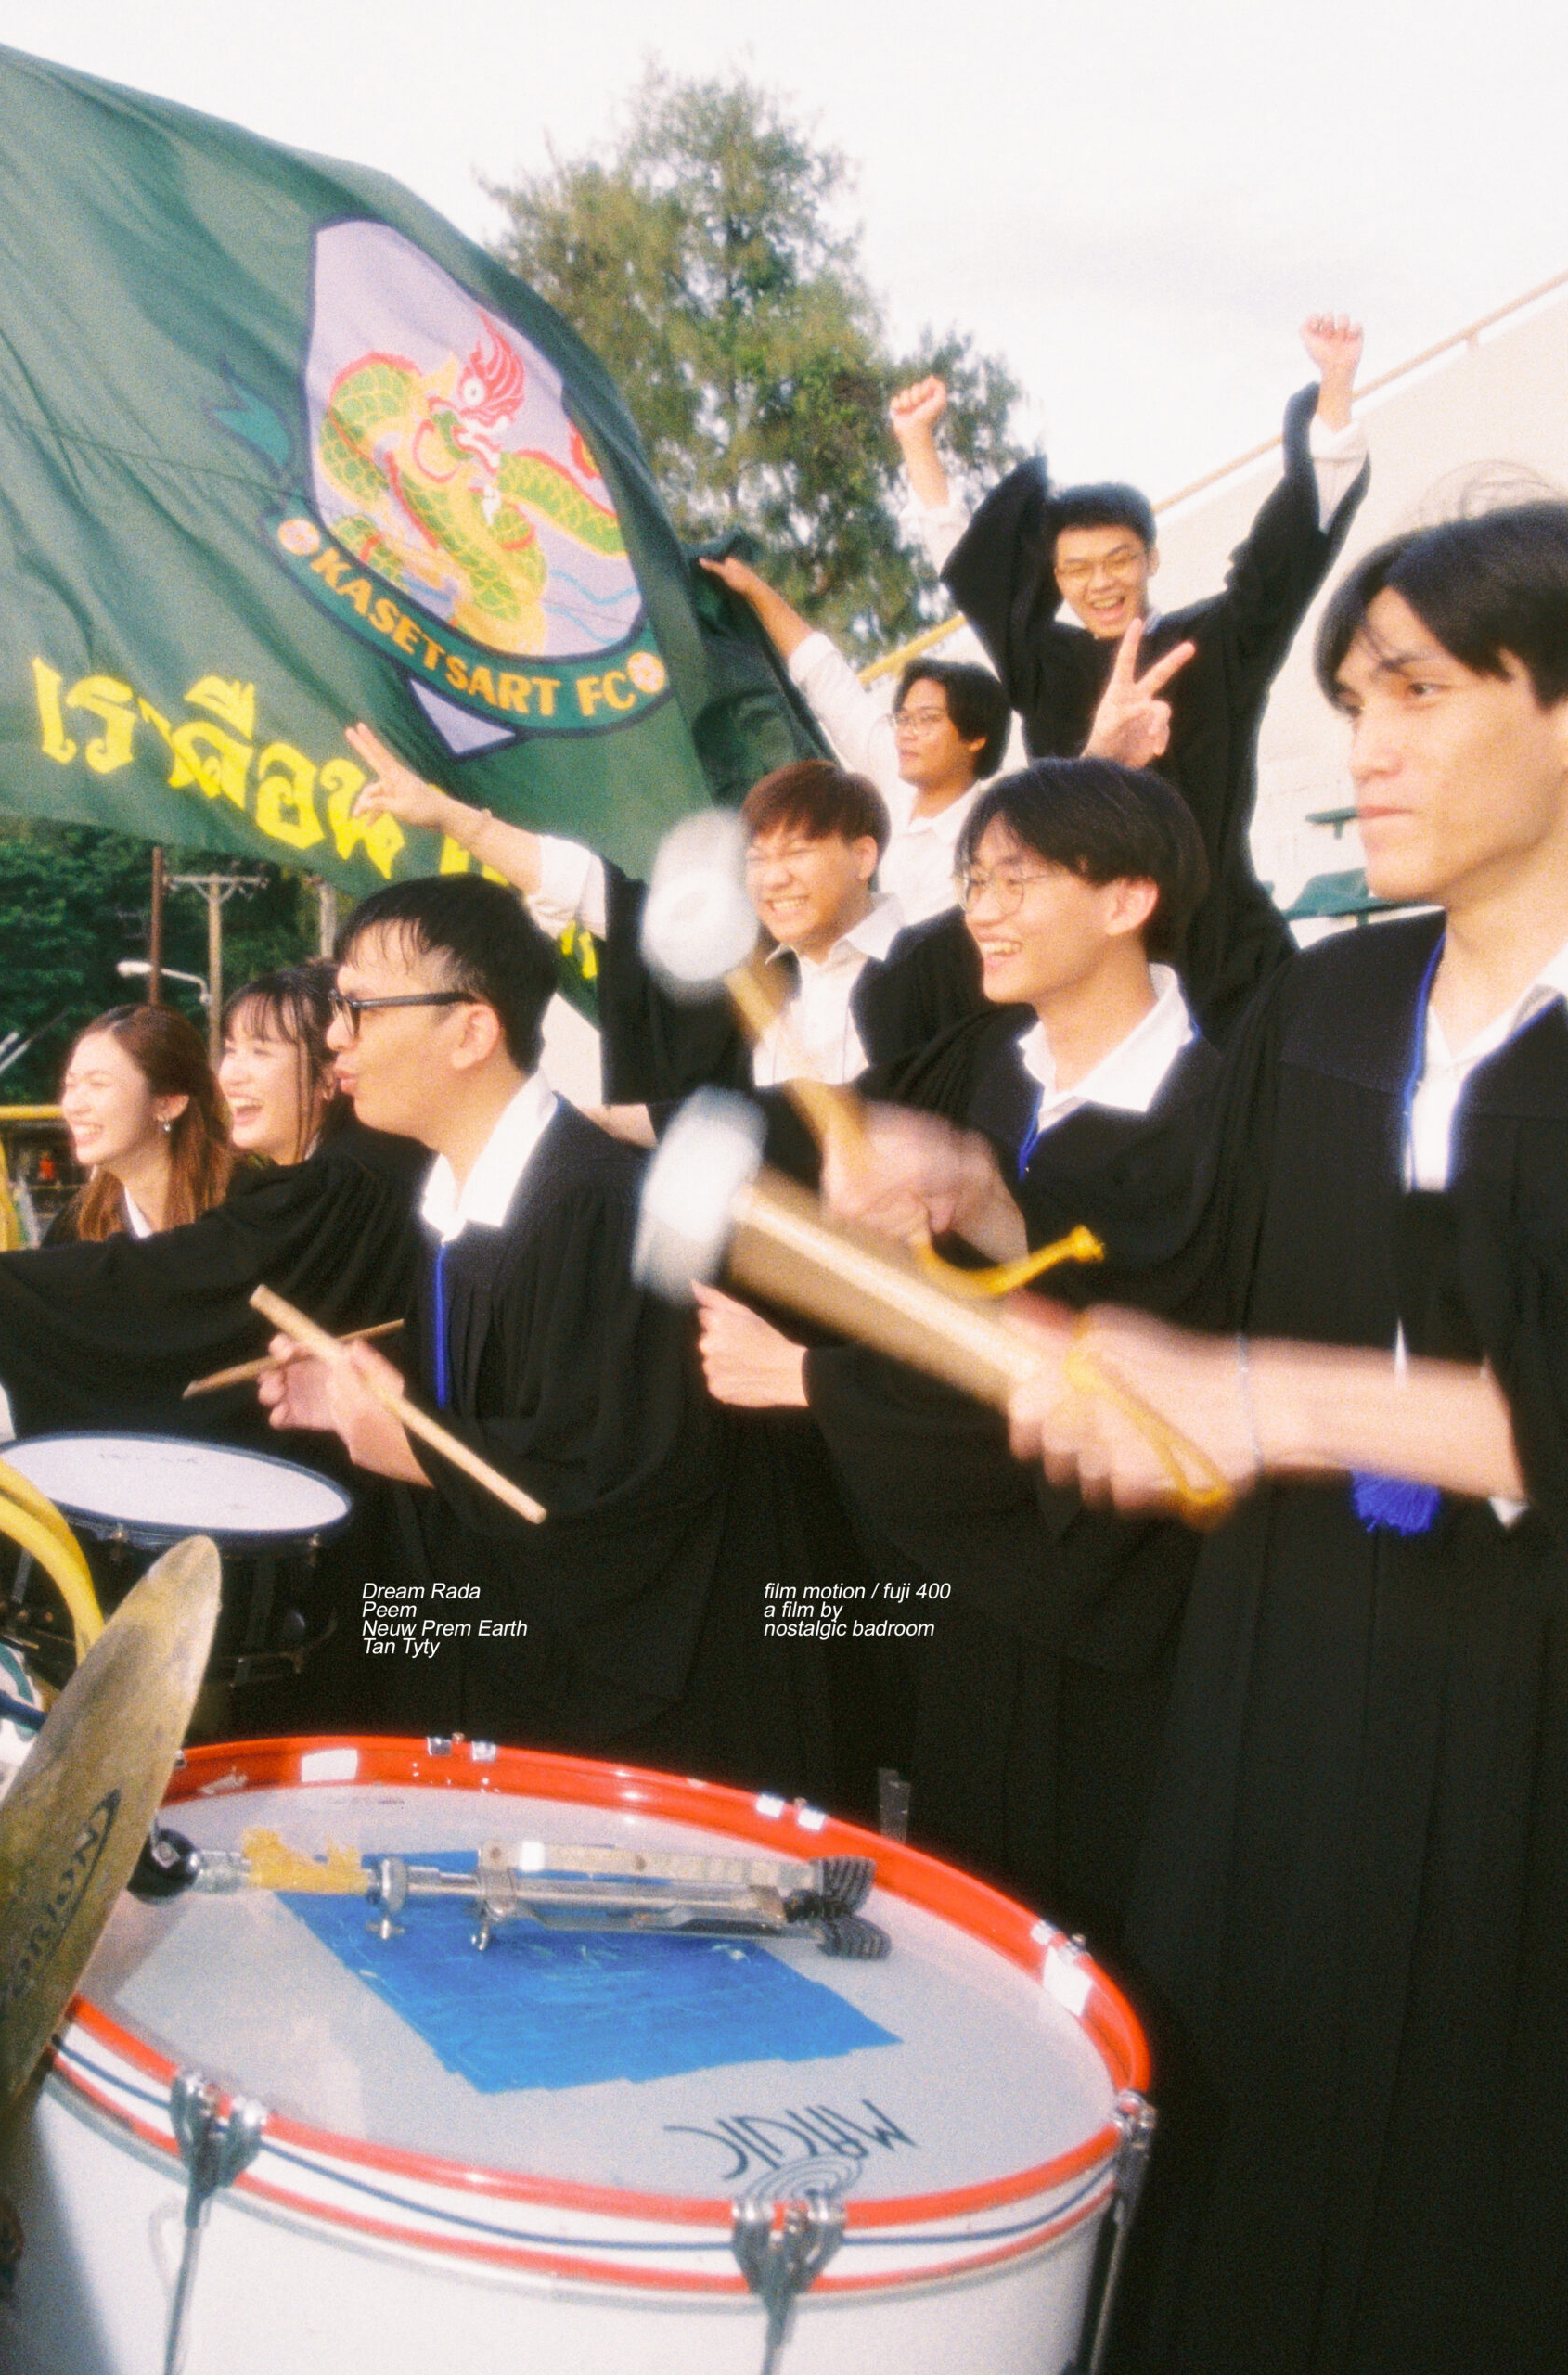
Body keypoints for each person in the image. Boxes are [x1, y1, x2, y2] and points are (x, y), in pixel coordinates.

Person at [830, 504, 1568, 2372]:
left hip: (1521, 1726)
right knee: (1240, 2179)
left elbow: (1290, 1374)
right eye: (1350, 700)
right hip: (1280, 1703)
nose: (1363, 747)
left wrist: (1269, 1399)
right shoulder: (1329, 1002)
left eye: (1415, 692)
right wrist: (984, 1208)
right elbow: (1192, 1258)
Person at [695, 759, 1218, 1938]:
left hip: (1122, 1624)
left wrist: (813, 1379)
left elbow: (1124, 1369)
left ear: (1127, 897)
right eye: (973, 879)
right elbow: (822, 1143)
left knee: (1103, 1936)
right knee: (970, 1920)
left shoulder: (1220, 1111)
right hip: (973, 1601)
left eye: (1015, 880)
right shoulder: (976, 1067)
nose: (981, 908)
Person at [257, 873, 852, 1793]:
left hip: (662, 1738)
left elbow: (620, 1488)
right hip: (527, 1687)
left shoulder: (598, 1209)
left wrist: (414, 1444)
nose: (335, 1036)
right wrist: (358, 1401)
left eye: (360, 1008)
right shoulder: (462, 1203)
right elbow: (521, 1394)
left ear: (471, 1031)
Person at [899, 320, 1371, 1036]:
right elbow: (973, 567)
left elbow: (1289, 555)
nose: (1100, 583)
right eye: (1076, 569)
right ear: (1057, 580)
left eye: (1118, 560)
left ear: (1150, 558)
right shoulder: (1043, 665)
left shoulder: (1215, 644)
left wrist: (1335, 387)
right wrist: (917, 441)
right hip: (1100, 958)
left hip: (1228, 955)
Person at [0, 966, 425, 1446]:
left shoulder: (319, 1193)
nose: (231, 1074)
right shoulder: (87, 1224)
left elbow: (154, 1285)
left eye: (260, 1052)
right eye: (230, 1050)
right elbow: (98, 1305)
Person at [342, 722, 984, 1112]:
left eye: (796, 852)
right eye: (756, 858)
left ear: (863, 855)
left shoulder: (955, 957)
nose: (773, 878)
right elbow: (591, 889)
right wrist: (452, 818)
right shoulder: (750, 985)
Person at [696, 550, 1012, 922]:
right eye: (903, 719)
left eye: (927, 720)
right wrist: (754, 589)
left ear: (976, 737)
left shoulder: (984, 844)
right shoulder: (894, 772)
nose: (907, 734)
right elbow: (826, 678)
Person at [47, 1004, 236, 1241]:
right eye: (71, 1084)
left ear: (168, 1103)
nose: (73, 1106)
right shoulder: (78, 1225)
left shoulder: (246, 1211)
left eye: (98, 1084)